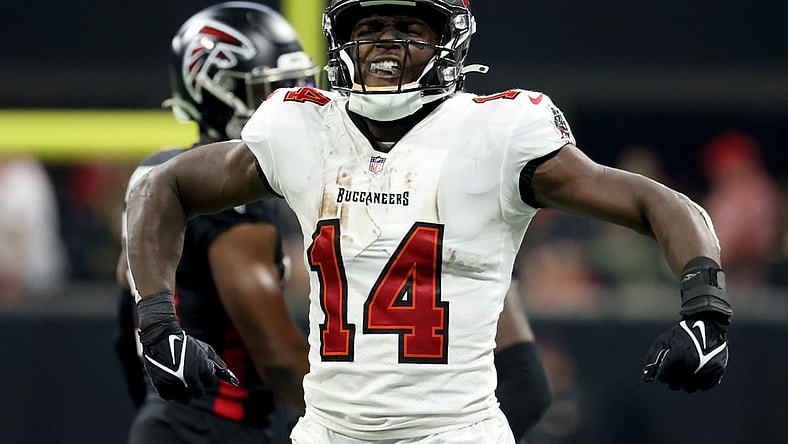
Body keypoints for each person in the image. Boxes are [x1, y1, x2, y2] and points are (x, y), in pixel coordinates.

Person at [124, 1, 732, 442]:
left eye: (410, 27)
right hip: (328, 432)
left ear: (449, 42)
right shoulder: (302, 127)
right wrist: (157, 324)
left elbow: (663, 203)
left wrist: (705, 310)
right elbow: (165, 185)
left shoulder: (498, 132)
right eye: (368, 27)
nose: (386, 41)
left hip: (455, 431)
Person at [113, 3, 319, 443]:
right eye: (275, 90)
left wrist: (158, 413)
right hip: (222, 426)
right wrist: (366, 420)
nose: (293, 103)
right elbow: (280, 358)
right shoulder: (230, 207)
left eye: (299, 85)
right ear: (216, 92)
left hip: (167, 425)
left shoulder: (155, 179)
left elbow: (125, 325)